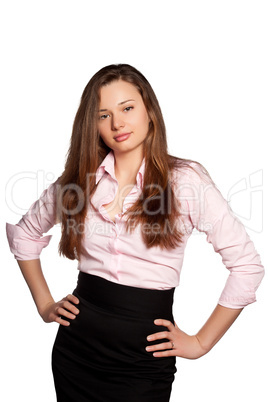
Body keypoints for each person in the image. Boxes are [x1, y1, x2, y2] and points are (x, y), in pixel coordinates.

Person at [6, 64, 264, 402]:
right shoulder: (78, 182)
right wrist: (44, 305)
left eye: (127, 108)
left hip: (143, 362)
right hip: (76, 354)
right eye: (103, 115)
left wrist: (201, 342)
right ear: (92, 125)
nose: (117, 123)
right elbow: (25, 236)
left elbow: (247, 266)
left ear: (149, 111)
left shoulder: (186, 182)